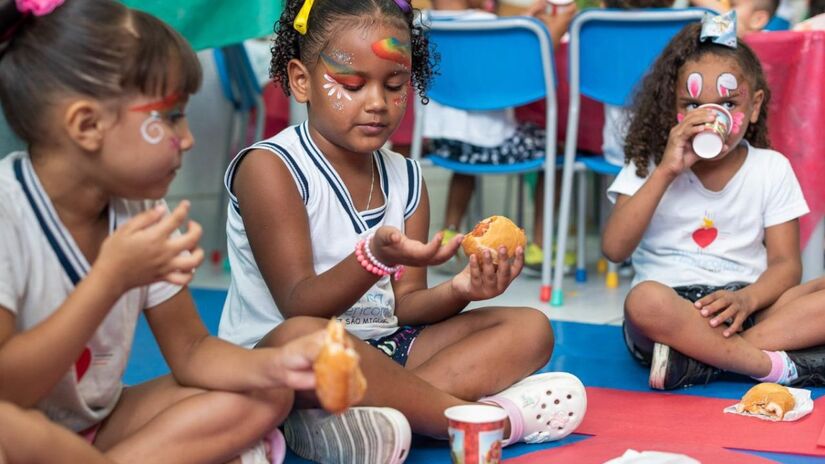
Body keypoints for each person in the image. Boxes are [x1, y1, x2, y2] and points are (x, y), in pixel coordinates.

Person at [217, 0, 587, 462]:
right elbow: (299, 305)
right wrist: (374, 256)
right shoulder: (271, 168)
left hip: (385, 353)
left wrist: (462, 288)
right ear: (300, 80)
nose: (377, 103)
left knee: (530, 328)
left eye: (394, 85)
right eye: (351, 85)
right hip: (284, 359)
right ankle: (485, 420)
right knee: (307, 339)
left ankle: (364, 416)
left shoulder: (408, 179)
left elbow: (406, 306)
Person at [0, 1, 328, 463]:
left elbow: (191, 349)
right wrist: (110, 278)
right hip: (18, 425)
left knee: (267, 394)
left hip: (96, 426)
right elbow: (8, 388)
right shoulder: (7, 212)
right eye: (171, 116)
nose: (188, 138)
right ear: (86, 125)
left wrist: (275, 365)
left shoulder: (140, 210)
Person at [603, 12, 825, 391]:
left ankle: (696, 362)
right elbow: (614, 249)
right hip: (671, 312)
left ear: (754, 107)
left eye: (729, 105)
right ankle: (764, 363)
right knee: (643, 301)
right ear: (669, 108)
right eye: (692, 106)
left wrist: (747, 299)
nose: (709, 118)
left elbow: (787, 266)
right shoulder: (652, 163)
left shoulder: (771, 168)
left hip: (746, 306)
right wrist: (666, 172)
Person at [423, 0, 577, 275]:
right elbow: (529, 67)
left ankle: (449, 235)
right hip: (494, 145)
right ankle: (539, 247)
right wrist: (557, 26)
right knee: (557, 150)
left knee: (466, 153)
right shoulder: (486, 22)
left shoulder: (424, 24)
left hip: (445, 146)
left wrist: (526, 18)